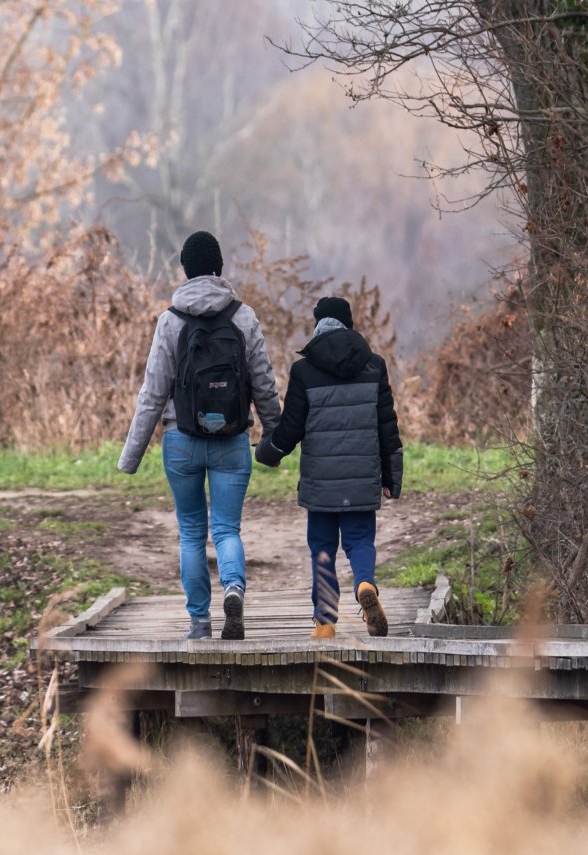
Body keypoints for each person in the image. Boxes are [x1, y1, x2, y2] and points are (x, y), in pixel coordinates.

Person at [118, 231, 282, 640]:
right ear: (219, 267)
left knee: (191, 532)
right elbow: (263, 383)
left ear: (185, 271)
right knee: (227, 529)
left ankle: (200, 622)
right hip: (231, 441)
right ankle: (233, 588)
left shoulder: (170, 321)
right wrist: (275, 439)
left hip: (181, 442)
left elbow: (153, 392)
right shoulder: (243, 318)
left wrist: (131, 455)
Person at [254, 296, 403, 638]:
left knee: (322, 547)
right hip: (362, 478)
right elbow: (387, 428)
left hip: (321, 483)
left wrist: (268, 452)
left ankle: (324, 622)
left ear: (318, 324)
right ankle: (366, 584)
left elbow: (290, 428)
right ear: (349, 325)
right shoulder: (375, 365)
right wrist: (391, 477)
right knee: (360, 540)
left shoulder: (305, 370)